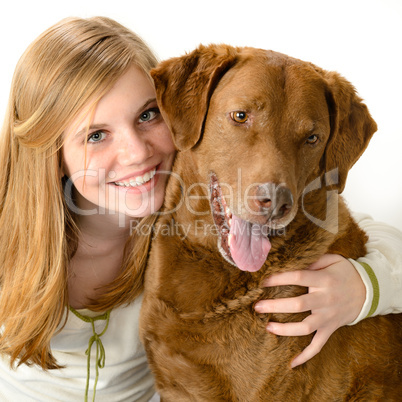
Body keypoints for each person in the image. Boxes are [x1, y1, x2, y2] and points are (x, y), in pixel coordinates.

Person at [0, 16, 401, 401]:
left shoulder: (176, 204)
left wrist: (365, 286)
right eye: (96, 134)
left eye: (147, 115)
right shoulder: (9, 237)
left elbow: (373, 234)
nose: (136, 153)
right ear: (50, 150)